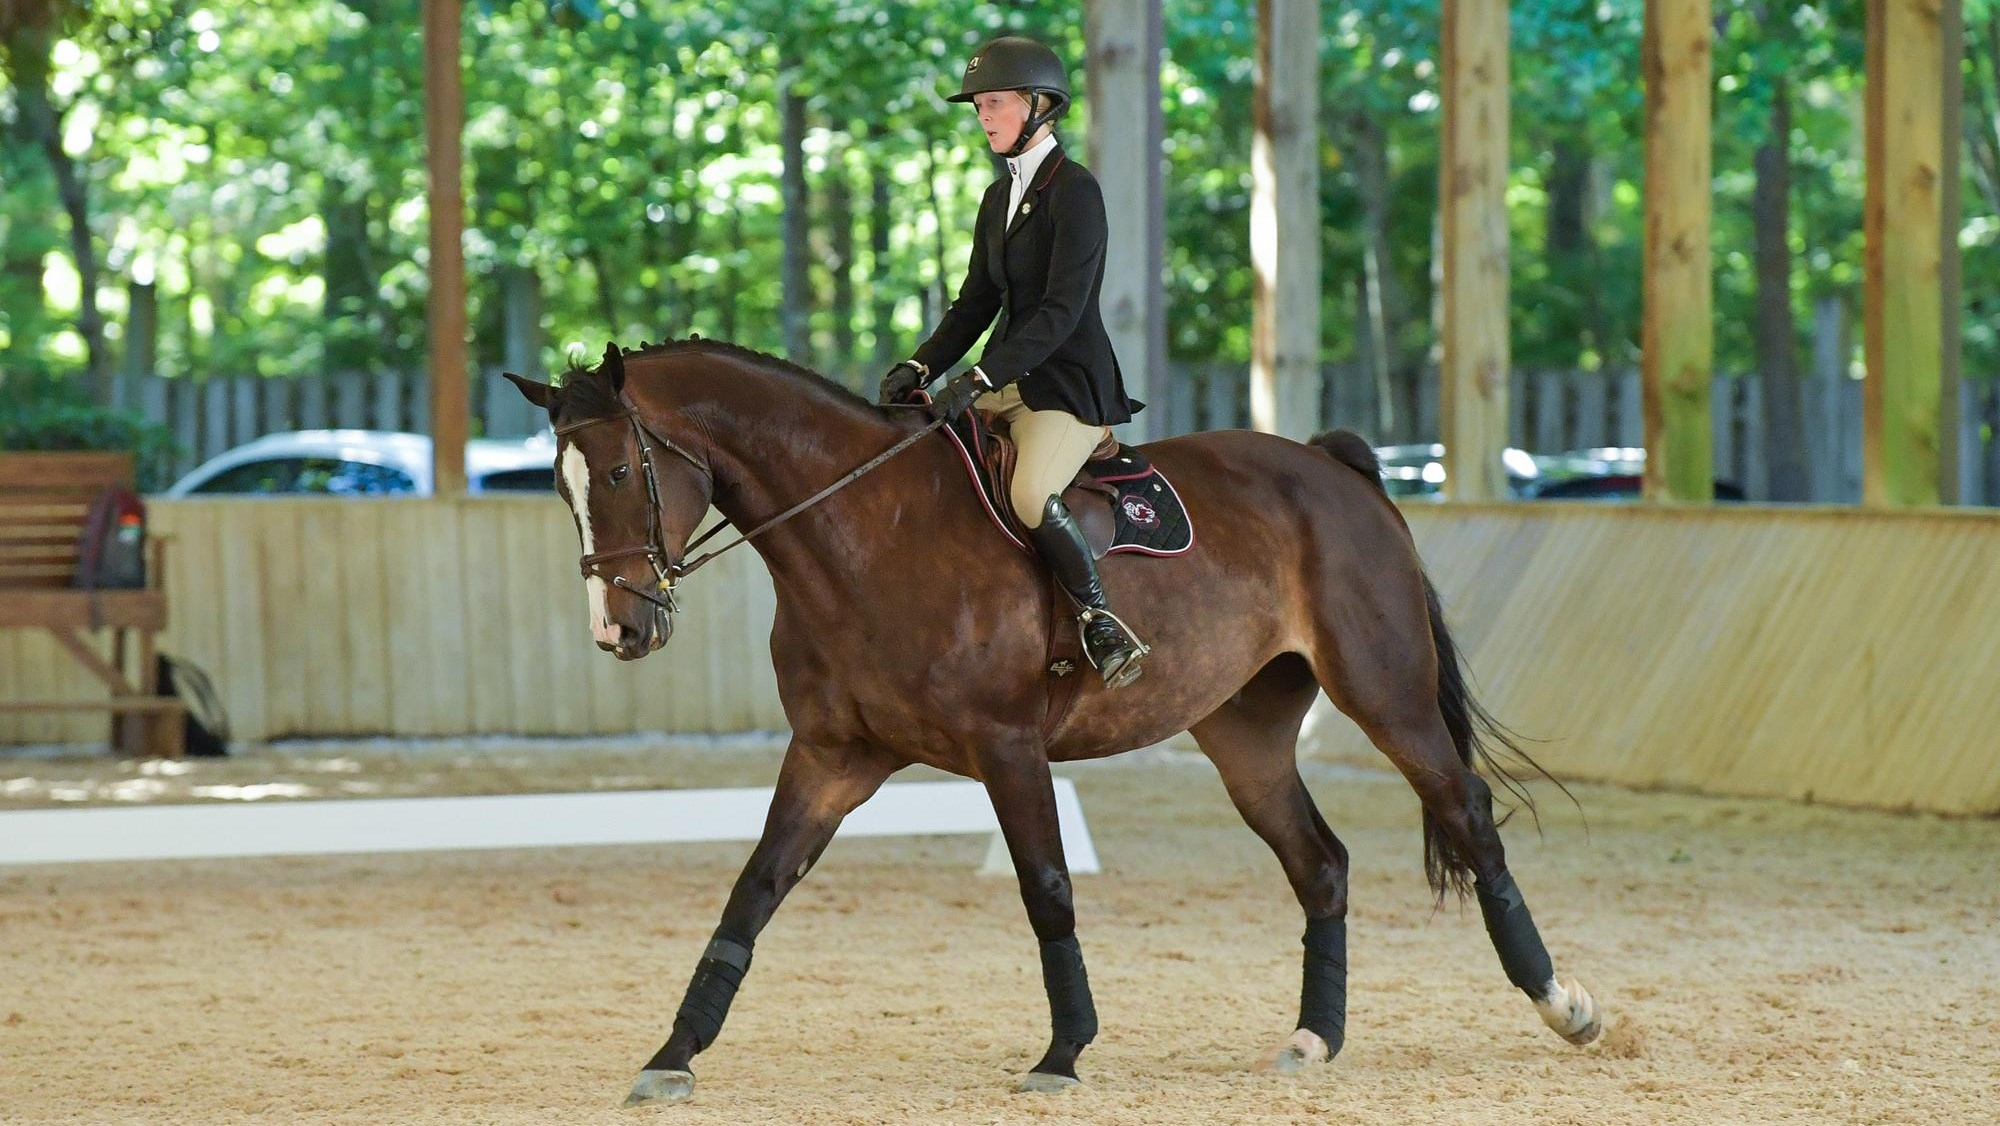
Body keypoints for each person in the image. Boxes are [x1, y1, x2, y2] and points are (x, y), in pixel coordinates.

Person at [878, 35, 1149, 690]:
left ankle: (1100, 621)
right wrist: (920, 367)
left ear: (1039, 105)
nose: (985, 118)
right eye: (979, 108)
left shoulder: (1075, 192)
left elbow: (1061, 312)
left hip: (1068, 387)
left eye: (995, 104)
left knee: (1030, 491)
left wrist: (977, 378)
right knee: (922, 454)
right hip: (1009, 379)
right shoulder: (998, 198)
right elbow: (976, 302)